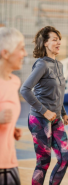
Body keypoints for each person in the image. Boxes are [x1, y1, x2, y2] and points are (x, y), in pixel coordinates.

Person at [20, 26, 68, 185]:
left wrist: (62, 112)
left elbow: (59, 93)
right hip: (39, 119)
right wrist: (45, 111)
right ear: (45, 43)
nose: (59, 42)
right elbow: (25, 90)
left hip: (56, 119)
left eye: (59, 39)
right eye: (54, 39)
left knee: (65, 157)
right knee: (43, 161)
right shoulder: (41, 64)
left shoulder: (59, 65)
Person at [0, 27, 27, 185]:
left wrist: (11, 128)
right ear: (5, 53)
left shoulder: (14, 81)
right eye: (21, 48)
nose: (24, 53)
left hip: (9, 162)